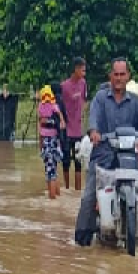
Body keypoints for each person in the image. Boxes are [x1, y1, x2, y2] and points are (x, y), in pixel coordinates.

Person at [74, 59, 138, 247]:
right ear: (110, 76)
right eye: (116, 74)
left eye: (123, 74)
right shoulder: (100, 99)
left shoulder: (136, 102)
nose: (119, 78)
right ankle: (81, 240)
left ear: (128, 76)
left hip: (129, 158)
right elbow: (93, 118)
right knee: (88, 196)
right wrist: (94, 132)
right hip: (103, 156)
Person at [59, 58, 88, 191]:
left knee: (78, 161)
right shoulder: (64, 86)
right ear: (76, 69)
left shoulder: (83, 83)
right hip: (66, 130)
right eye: (82, 70)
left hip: (78, 130)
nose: (84, 72)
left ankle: (76, 191)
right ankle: (66, 188)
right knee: (66, 161)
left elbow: (84, 100)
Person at [37, 85, 67, 199]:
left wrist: (40, 145)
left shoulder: (40, 107)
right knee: (54, 169)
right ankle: (57, 195)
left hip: (47, 142)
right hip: (55, 142)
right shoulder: (55, 106)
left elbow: (40, 128)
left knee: (50, 172)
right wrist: (63, 121)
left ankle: (52, 198)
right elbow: (60, 116)